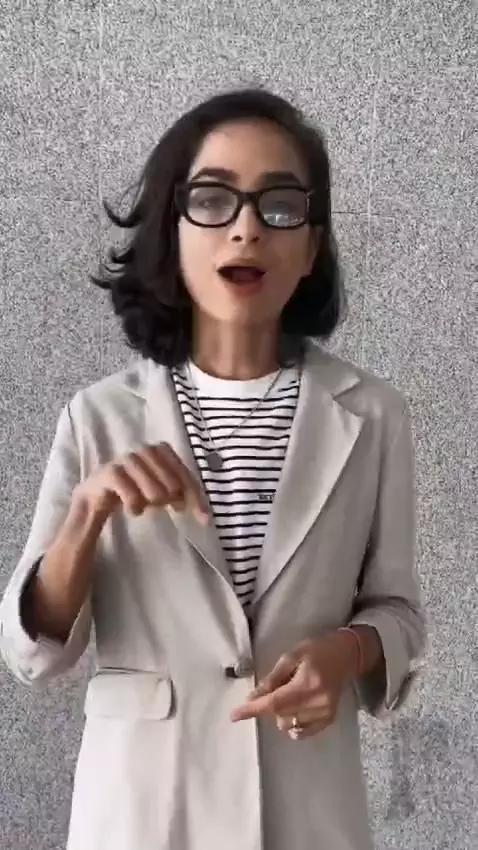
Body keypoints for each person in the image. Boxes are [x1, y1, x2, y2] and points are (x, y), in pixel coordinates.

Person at [0, 88, 425, 850]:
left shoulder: (374, 416)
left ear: (312, 246)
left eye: (280, 205)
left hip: (306, 806)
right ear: (173, 230)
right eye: (212, 199)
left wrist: (348, 652)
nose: (247, 227)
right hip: (143, 810)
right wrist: (85, 515)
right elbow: (33, 652)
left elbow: (399, 613)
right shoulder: (98, 418)